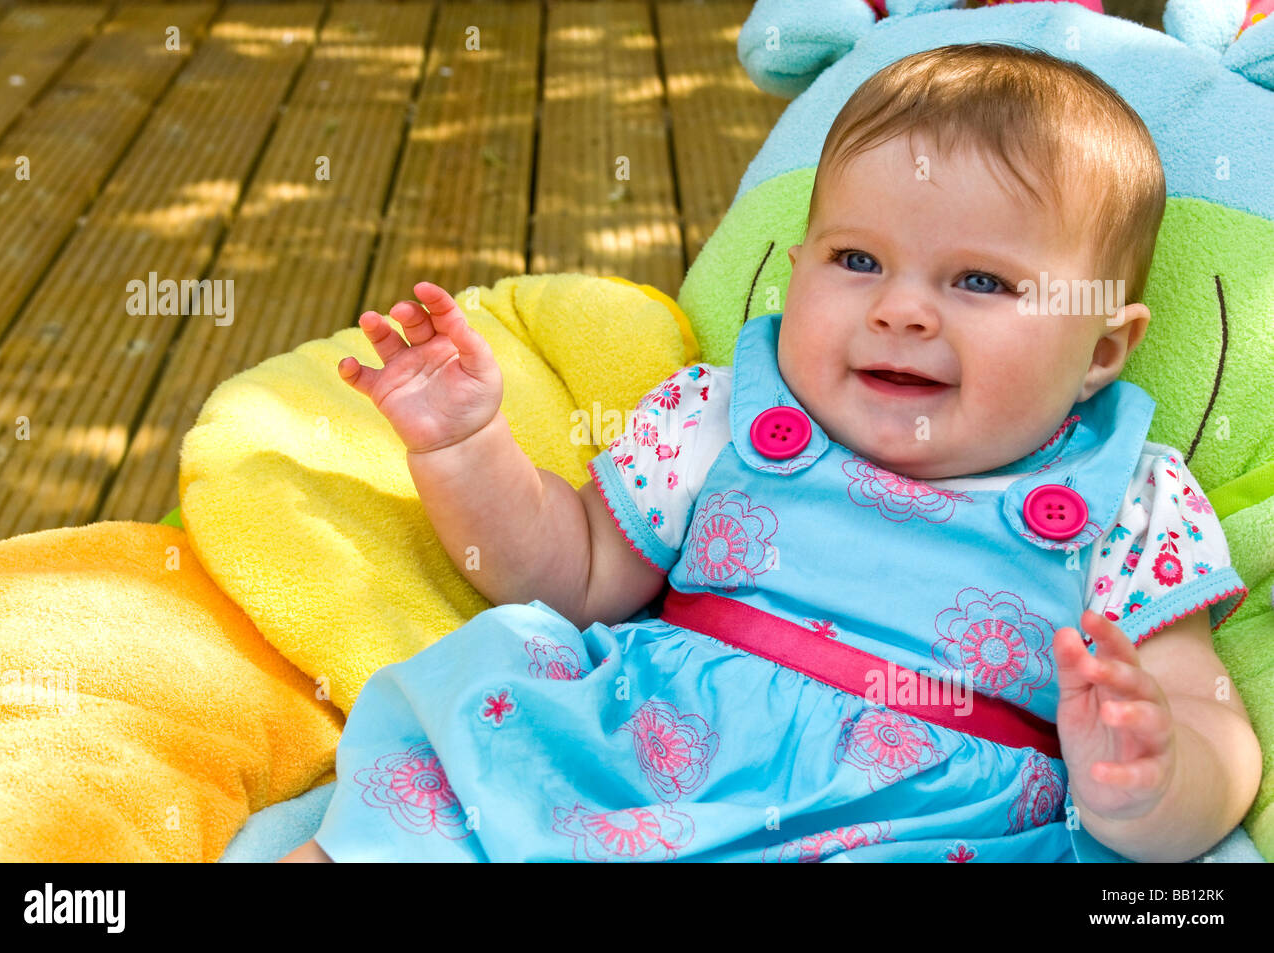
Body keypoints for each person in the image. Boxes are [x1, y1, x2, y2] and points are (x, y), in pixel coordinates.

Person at [282, 43, 1261, 863]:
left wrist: (1152, 771)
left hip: (922, 825)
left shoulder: (1126, 498)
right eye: (856, 261)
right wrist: (463, 446)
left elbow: (1205, 711)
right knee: (462, 768)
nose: (900, 308)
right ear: (795, 273)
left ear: (1098, 348)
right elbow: (566, 571)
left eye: (978, 280)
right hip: (645, 752)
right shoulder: (726, 420)